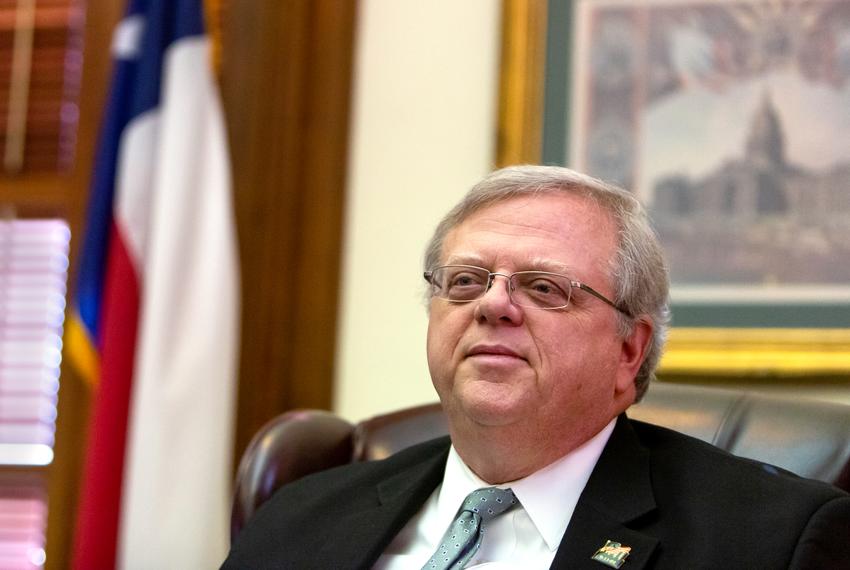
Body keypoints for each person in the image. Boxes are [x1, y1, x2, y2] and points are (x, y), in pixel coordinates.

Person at [222, 165, 850, 569]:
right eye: (466, 281)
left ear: (629, 349)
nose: (493, 304)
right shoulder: (299, 518)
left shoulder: (770, 543)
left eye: (546, 287)